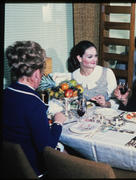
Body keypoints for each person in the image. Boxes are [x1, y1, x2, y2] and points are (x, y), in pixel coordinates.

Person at [2, 41, 67, 177]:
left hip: (9, 167)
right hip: (32, 171)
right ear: (37, 74)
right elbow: (47, 147)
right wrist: (58, 122)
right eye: (42, 73)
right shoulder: (33, 103)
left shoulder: (6, 93)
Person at [67, 40, 118, 109]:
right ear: (79, 58)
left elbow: (117, 101)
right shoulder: (73, 76)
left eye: (96, 56)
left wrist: (106, 103)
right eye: (90, 57)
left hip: (105, 115)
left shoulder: (107, 73)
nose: (94, 60)